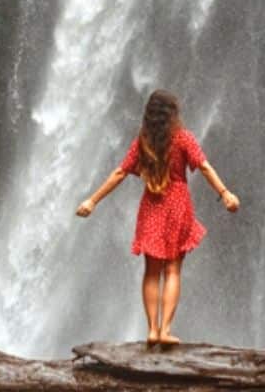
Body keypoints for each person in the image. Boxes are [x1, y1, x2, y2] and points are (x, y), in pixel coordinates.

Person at [77, 90, 240, 347]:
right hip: (178, 206)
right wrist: (225, 193)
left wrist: (92, 200)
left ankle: (152, 329)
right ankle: (165, 331)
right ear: (173, 114)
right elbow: (205, 166)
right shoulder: (183, 138)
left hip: (152, 207)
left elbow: (120, 172)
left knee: (152, 272)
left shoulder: (143, 142)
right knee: (173, 269)